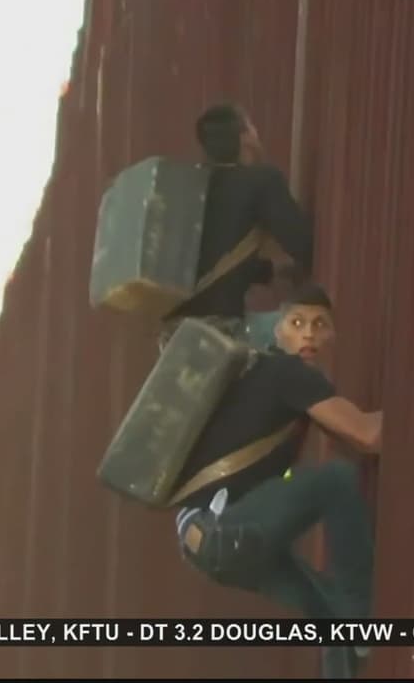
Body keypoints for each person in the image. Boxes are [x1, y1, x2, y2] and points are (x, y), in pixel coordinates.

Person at [170, 283, 380, 678]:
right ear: (276, 329)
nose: (308, 334)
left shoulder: (266, 375)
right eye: (297, 322)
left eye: (320, 325)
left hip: (202, 545)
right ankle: (362, 620)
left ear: (332, 335)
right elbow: (368, 436)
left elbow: (347, 431)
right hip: (222, 528)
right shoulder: (288, 372)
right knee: (335, 478)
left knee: (325, 617)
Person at [162, 104, 316, 348]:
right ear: (245, 138)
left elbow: (209, 252)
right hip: (225, 334)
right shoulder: (260, 181)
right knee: (314, 327)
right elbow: (303, 244)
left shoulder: (189, 192)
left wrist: (265, 272)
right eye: (252, 128)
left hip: (175, 337)